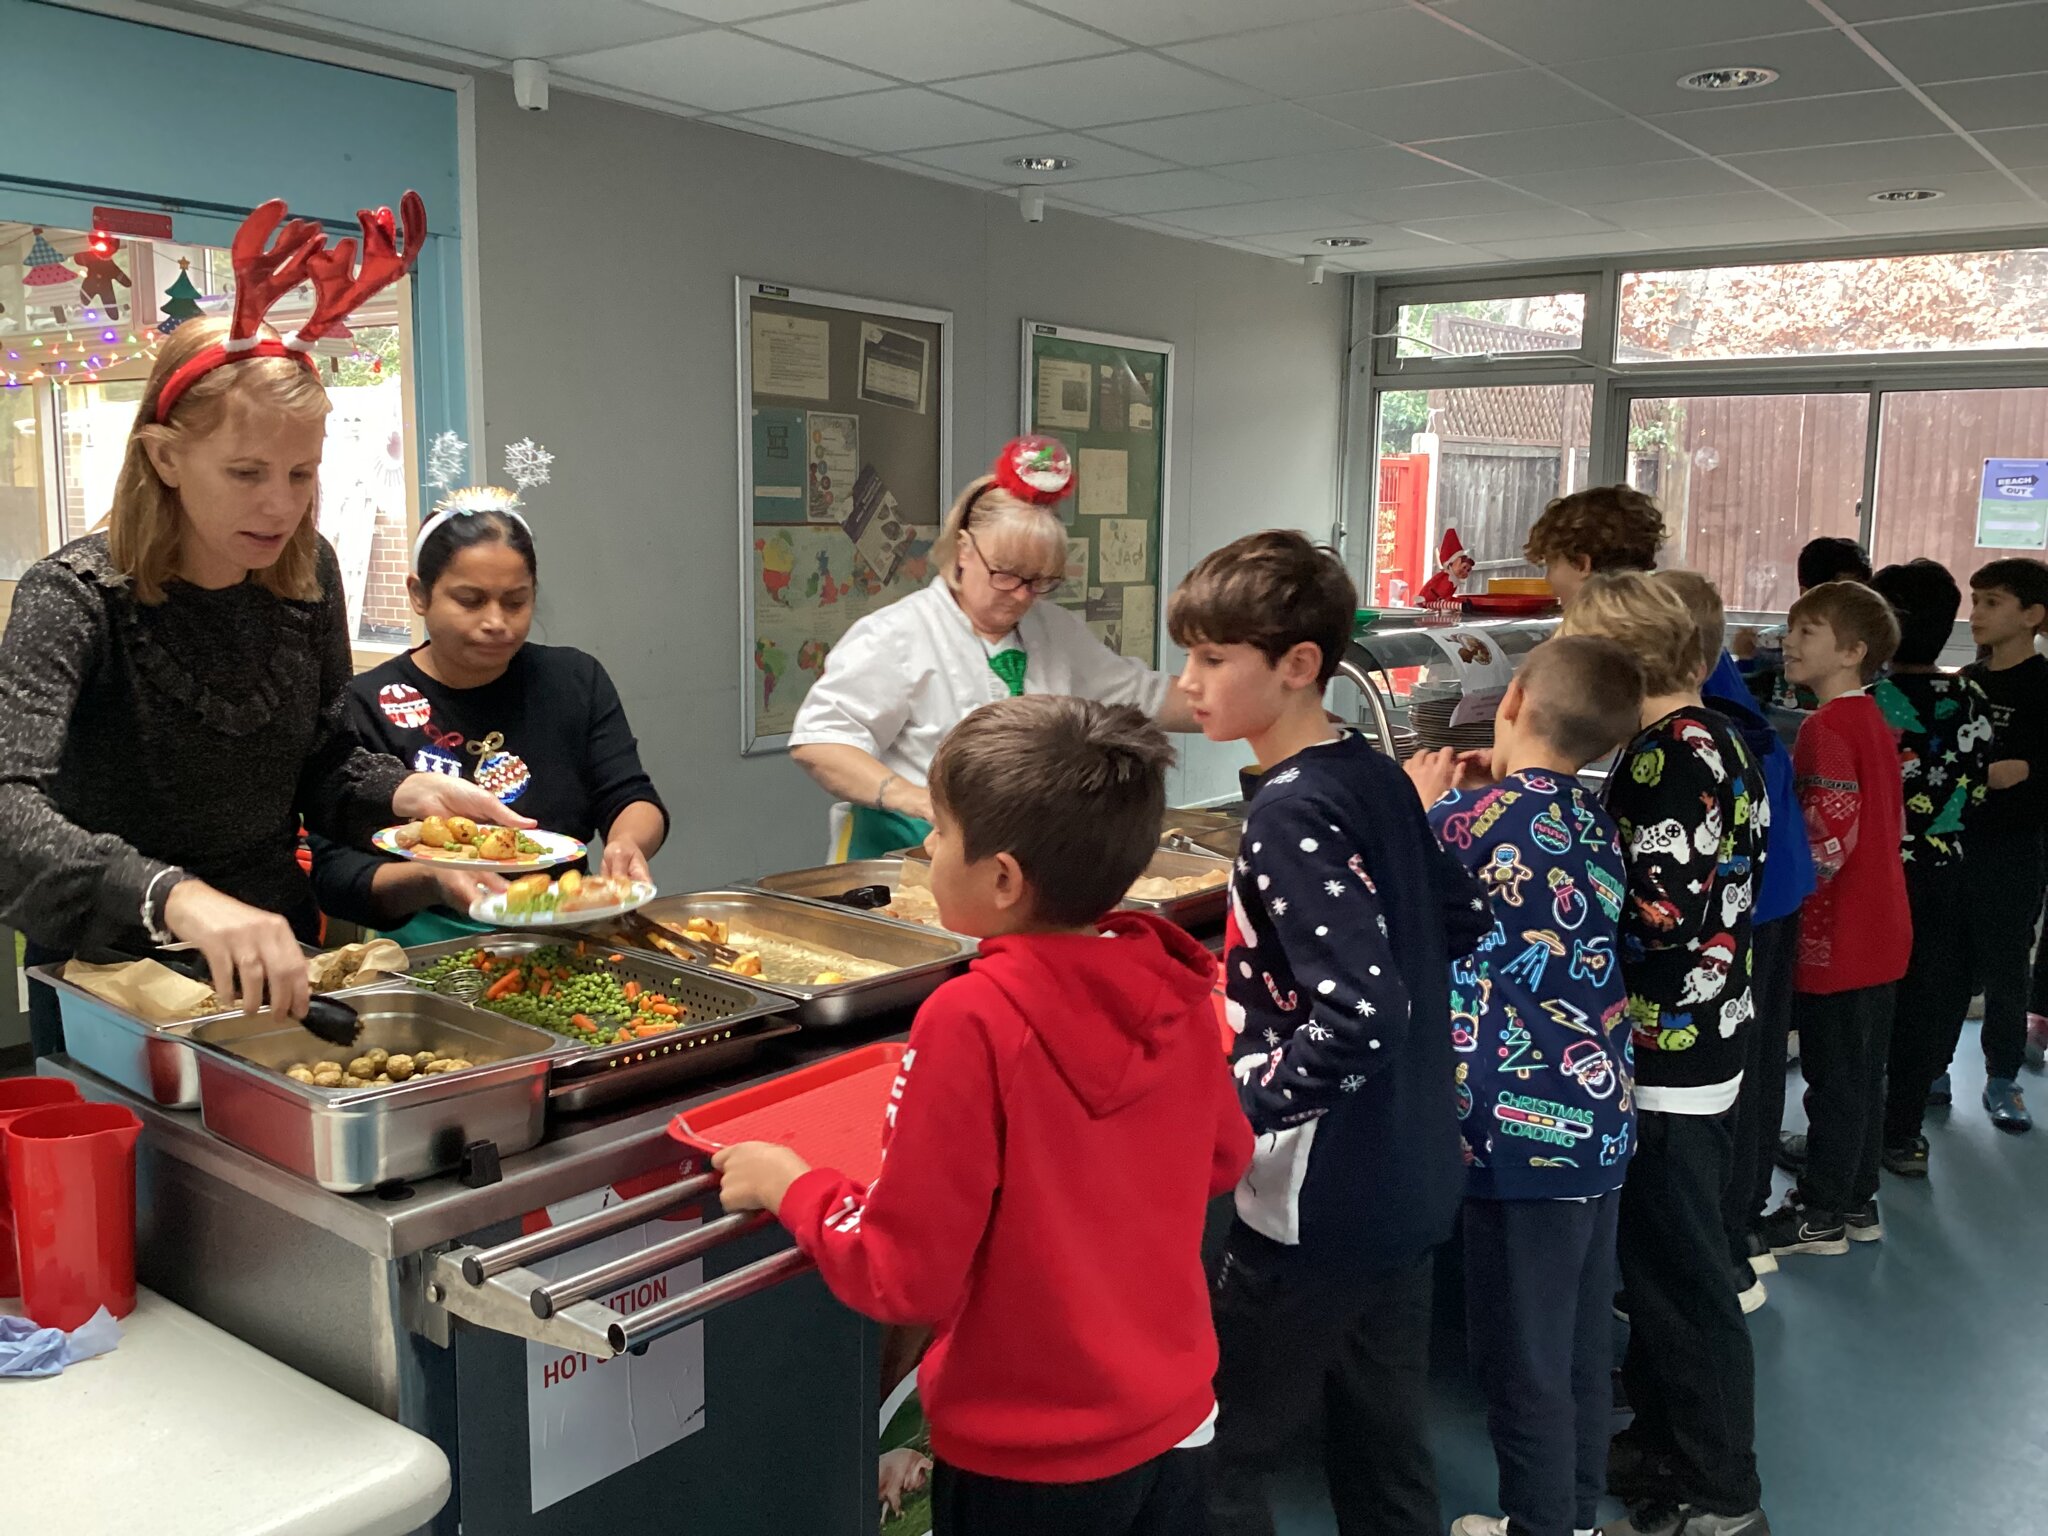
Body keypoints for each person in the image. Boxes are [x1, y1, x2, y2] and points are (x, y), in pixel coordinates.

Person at [713, 695, 1250, 1536]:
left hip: (1028, 1451)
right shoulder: (1172, 982)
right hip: (1177, 1417)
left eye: (941, 833)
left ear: (1001, 878)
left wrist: (794, 1188)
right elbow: (1224, 1156)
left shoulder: (974, 1019)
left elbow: (903, 1273)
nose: (927, 848)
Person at [0, 197, 513, 1055]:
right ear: (165, 457)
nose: (280, 505)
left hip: (275, 950)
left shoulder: (307, 575)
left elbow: (319, 756)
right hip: (111, 967)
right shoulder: (75, 596)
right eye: (245, 473)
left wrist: (406, 794)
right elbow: (11, 810)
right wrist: (175, 894)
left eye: (301, 472)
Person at [1167, 530, 1490, 1536]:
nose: (1188, 685)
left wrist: (1236, 1106)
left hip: (1320, 1198)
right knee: (1380, 1436)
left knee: (1218, 1450)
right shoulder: (1371, 772)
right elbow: (1459, 916)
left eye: (1213, 660)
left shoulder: (1286, 814)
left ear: (1297, 665)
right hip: (1405, 1171)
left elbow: (1360, 1015)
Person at [1404, 637, 1645, 1536]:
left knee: (1520, 1359)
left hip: (1514, 1134)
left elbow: (1393, 889)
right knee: (1579, 1343)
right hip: (1597, 1124)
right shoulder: (1596, 820)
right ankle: (1574, 1514)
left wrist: (1417, 804)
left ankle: (1542, 1524)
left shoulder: (1458, 827)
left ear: (1507, 707)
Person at [1556, 574, 1771, 1536]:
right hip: (1712, 1026)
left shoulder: (1657, 759)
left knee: (1682, 1278)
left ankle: (1723, 1490)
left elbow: (1657, 913)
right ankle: (1664, 1440)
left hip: (1666, 1045)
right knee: (1658, 1267)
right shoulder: (1722, 735)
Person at [310, 457, 667, 943]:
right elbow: (335, 877)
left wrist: (627, 843)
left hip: (567, 928)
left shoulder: (573, 680)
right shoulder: (367, 702)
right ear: (419, 594)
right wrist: (432, 882)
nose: (497, 621)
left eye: (516, 601)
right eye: (471, 600)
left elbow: (631, 796)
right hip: (426, 947)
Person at [789, 436, 1193, 860]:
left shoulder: (1055, 631)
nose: (1021, 596)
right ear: (964, 549)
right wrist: (917, 799)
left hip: (1009, 858)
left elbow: (1146, 695)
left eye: (1040, 581)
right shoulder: (898, 634)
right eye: (1006, 575)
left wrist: (1244, 696)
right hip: (901, 852)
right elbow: (820, 744)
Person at [1654, 570, 1805, 1309]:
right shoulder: (1725, 727)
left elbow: (1660, 912)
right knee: (1750, 1084)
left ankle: (1725, 1253)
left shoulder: (1680, 746)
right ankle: (1734, 1236)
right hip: (1743, 940)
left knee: (1682, 1206)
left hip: (1687, 1015)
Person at [1760, 582, 1906, 1258]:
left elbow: (1829, 838)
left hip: (1839, 936)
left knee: (1833, 1082)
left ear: (1853, 652)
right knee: (1862, 1077)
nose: (1791, 641)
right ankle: (1856, 1200)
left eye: (1809, 630)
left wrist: (1778, 884)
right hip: (1884, 930)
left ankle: (1818, 1215)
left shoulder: (1826, 728)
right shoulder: (1874, 721)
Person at [1867, 561, 1994, 1178]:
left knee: (1868, 1011)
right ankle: (1904, 1134)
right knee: (1929, 1006)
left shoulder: (1871, 706)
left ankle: (1851, 1138)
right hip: (1951, 871)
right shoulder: (1971, 695)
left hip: (1884, 879)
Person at [1954, 557, 2048, 1131]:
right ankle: (1931, 1069)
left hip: (2015, 850)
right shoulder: (1966, 685)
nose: (1977, 613)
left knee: (2007, 965)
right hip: (1959, 844)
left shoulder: (2044, 687)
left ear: (2033, 615)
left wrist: (2019, 772)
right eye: (1976, 599)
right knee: (1945, 962)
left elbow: (2029, 774)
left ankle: (2002, 1076)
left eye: (1993, 602)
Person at [1732, 537, 1874, 713]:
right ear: (1806, 594)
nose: (1789, 643)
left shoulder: (1870, 647)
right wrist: (1746, 660)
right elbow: (1743, 708)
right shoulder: (1769, 644)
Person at [1522, 484, 1666, 607]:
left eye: (1550, 565)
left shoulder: (1581, 635)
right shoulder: (1664, 620)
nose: (1548, 580)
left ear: (1581, 563)